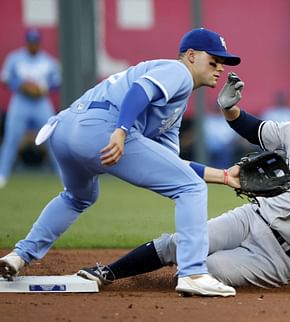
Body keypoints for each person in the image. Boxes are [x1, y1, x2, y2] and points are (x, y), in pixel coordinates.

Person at [76, 81, 290, 294]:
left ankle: (165, 284)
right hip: (252, 218)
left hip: (280, 258)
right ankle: (108, 273)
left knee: (205, 269)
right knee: (180, 243)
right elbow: (254, 129)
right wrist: (231, 109)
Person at [0, 27, 241, 297]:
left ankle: (19, 255)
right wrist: (122, 130)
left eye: (223, 62)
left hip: (64, 130)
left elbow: (172, 164)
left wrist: (223, 176)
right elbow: (140, 90)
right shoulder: (179, 72)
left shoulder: (176, 104)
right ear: (192, 56)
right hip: (103, 129)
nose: (220, 67)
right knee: (191, 189)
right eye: (214, 60)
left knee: (78, 197)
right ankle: (194, 273)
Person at [0, 28, 61, 188]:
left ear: (39, 43)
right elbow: (5, 79)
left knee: (51, 139)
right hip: (20, 101)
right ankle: (2, 174)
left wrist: (43, 89)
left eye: (35, 42)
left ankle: (63, 176)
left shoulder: (48, 61)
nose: (32, 45)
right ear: (26, 42)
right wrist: (21, 86)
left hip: (41, 102)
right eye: (30, 42)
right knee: (11, 138)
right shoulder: (15, 58)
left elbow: (56, 82)